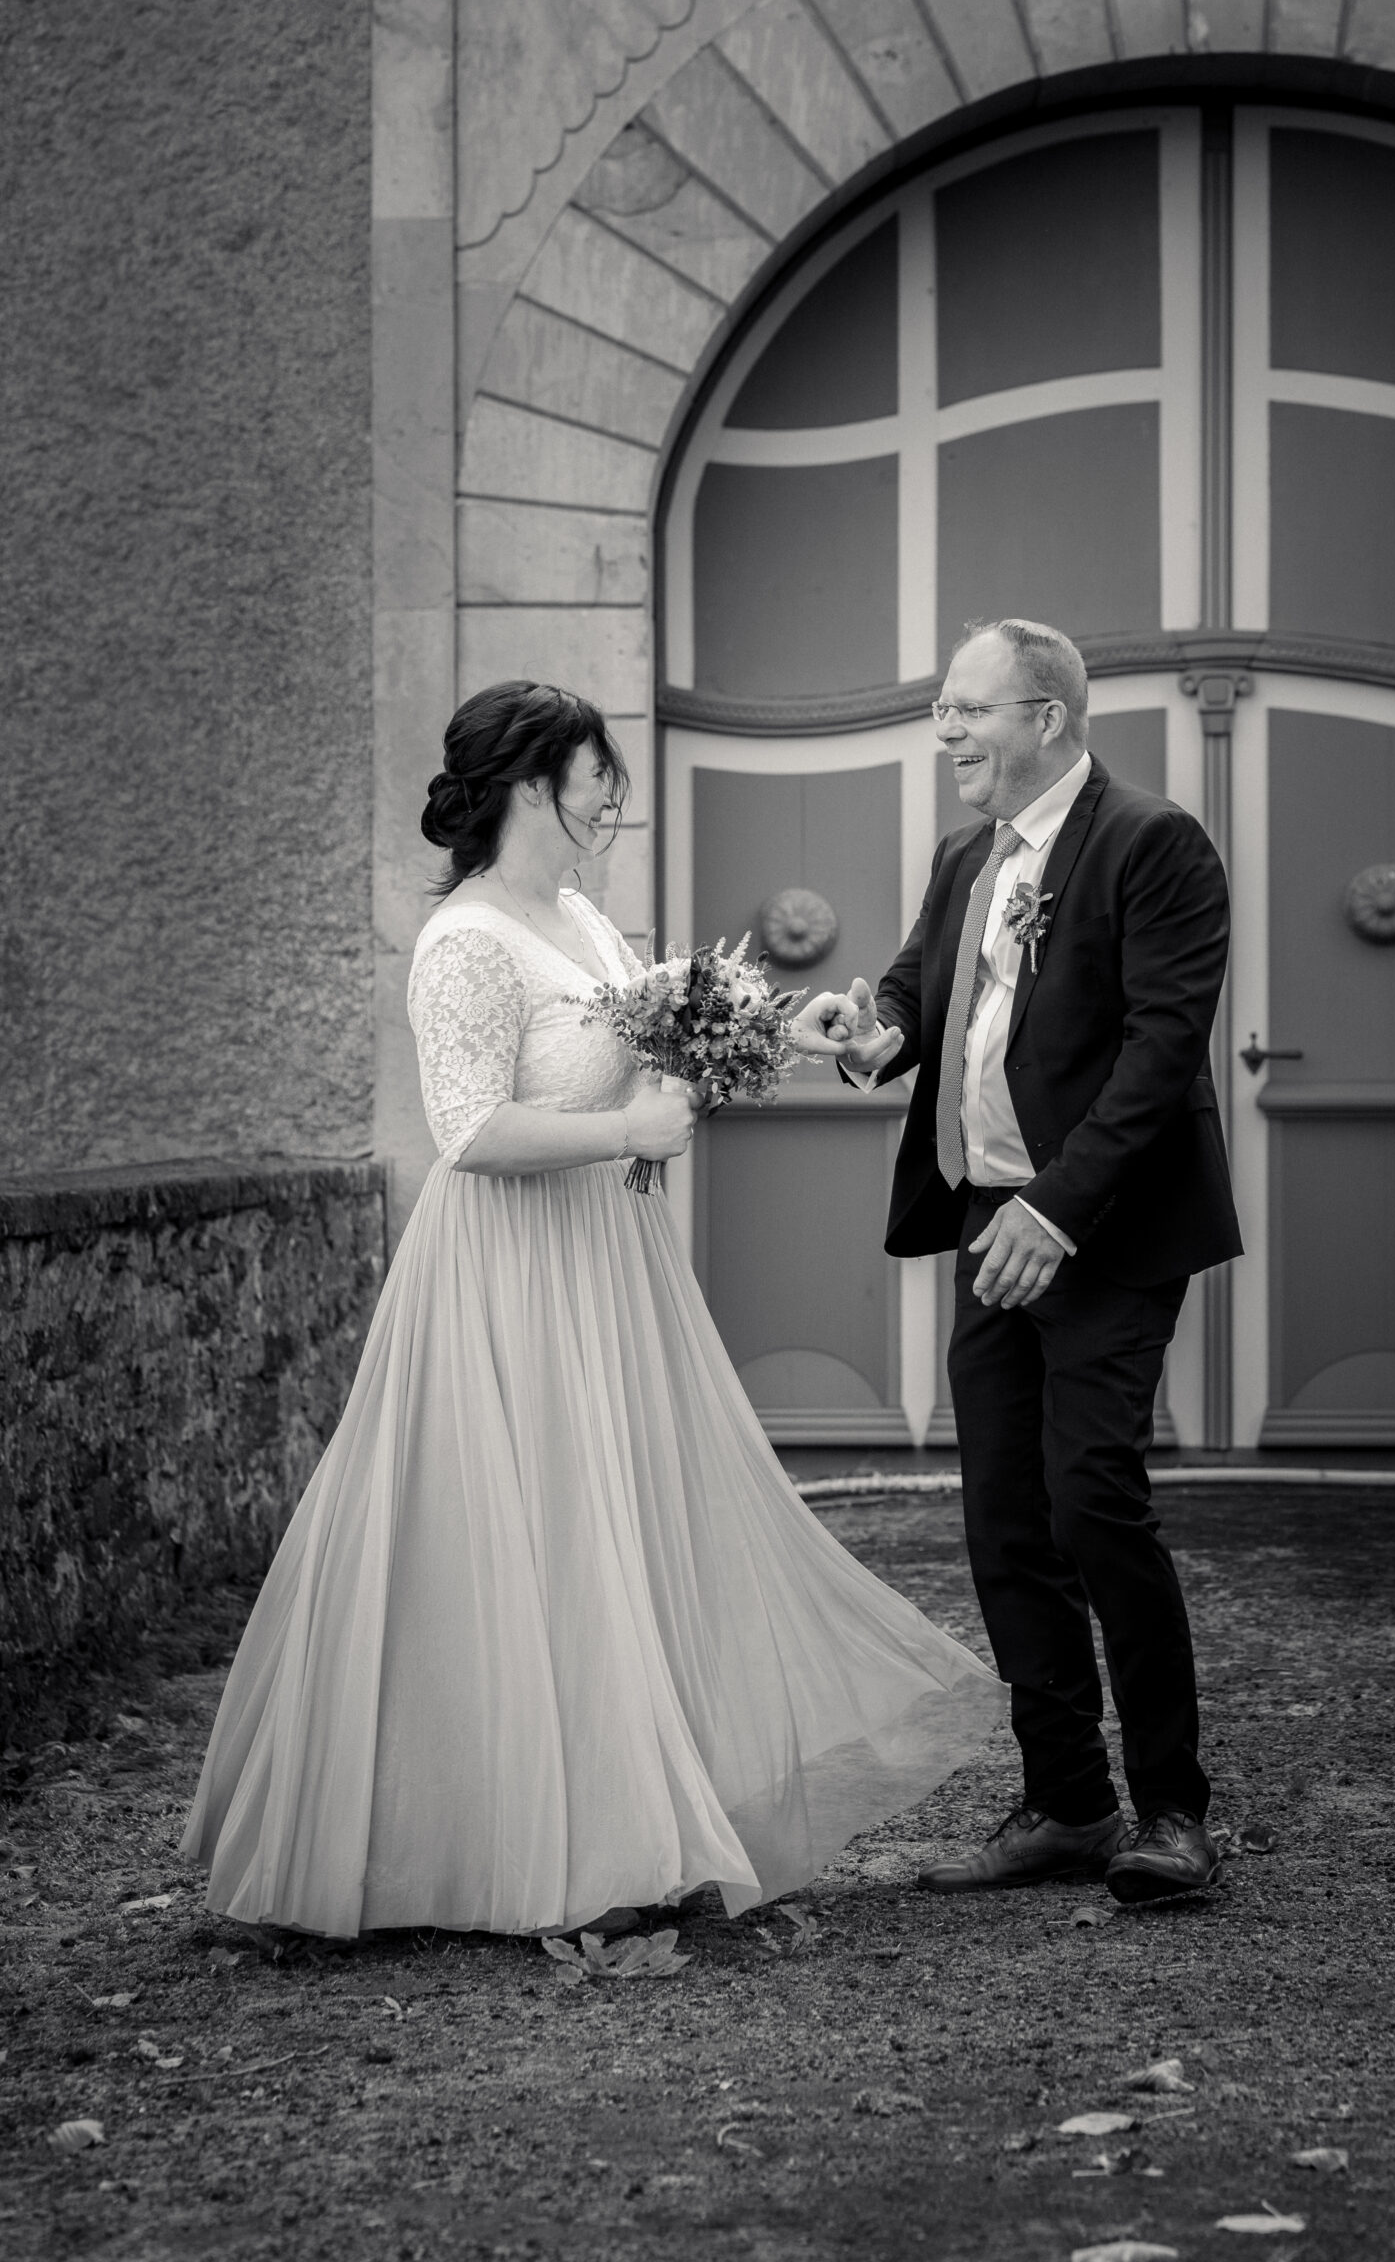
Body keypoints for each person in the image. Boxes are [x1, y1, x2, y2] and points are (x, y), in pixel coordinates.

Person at [183, 680, 1002, 1938]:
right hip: (509, 1271)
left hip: (604, 1262)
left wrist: (796, 1029)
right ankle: (498, 1842)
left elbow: (659, 1021)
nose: (611, 795)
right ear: (528, 786)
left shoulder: (570, 912)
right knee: (525, 1535)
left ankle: (625, 1813)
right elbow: (465, 1132)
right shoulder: (462, 940)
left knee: (611, 1527)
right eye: (594, 775)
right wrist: (627, 1127)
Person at [795, 620, 1241, 1903]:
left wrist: (1056, 1212)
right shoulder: (965, 858)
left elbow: (1163, 1050)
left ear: (1045, 715)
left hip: (1096, 1233)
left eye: (963, 708)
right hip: (987, 1223)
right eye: (940, 710)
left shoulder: (1153, 843)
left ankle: (1172, 1810)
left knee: (1093, 1498)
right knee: (1003, 1517)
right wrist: (863, 1032)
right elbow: (921, 995)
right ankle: (1065, 1804)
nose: (944, 732)